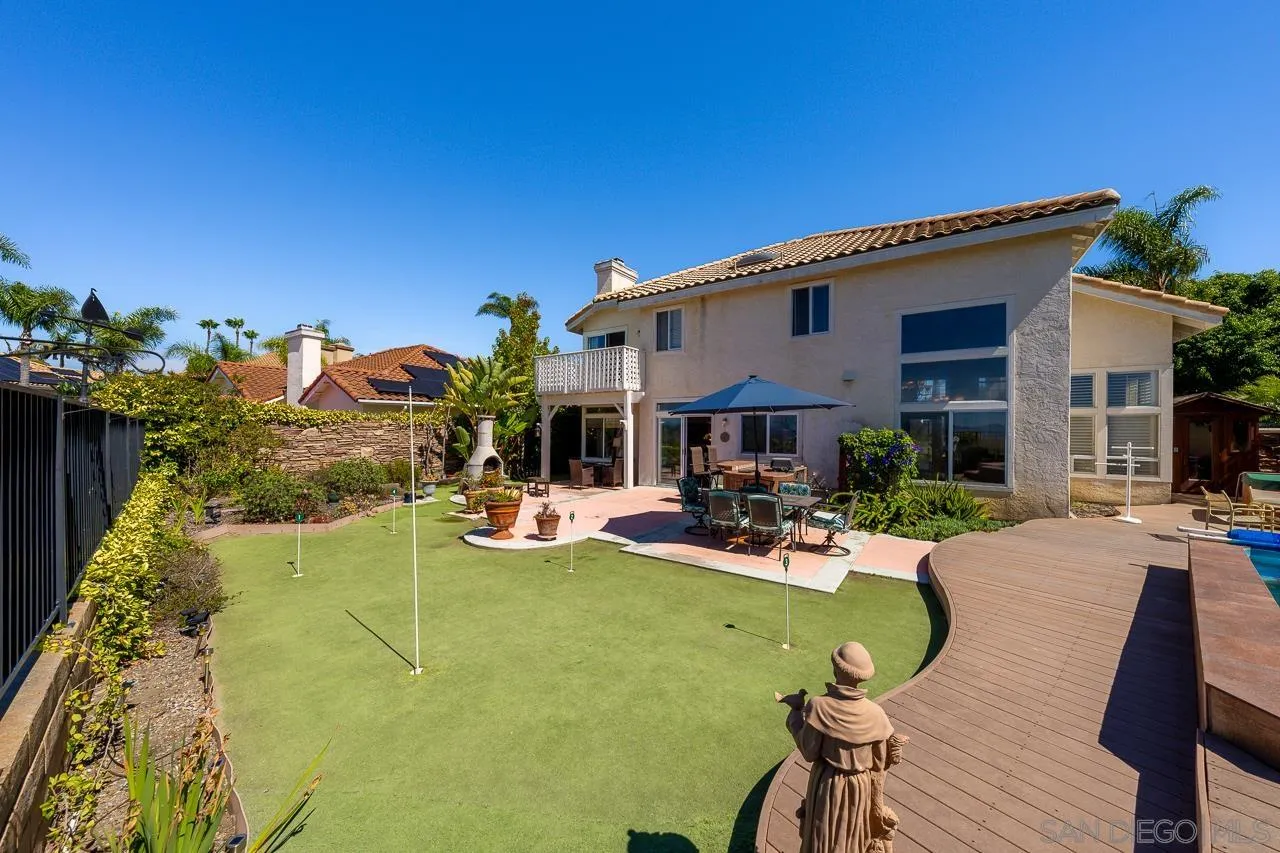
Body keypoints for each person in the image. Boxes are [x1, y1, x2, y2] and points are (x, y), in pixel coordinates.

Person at [776, 642, 908, 853]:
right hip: (860, 787)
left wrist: (795, 715)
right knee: (852, 838)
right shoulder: (876, 714)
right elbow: (880, 762)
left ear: (836, 669)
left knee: (823, 837)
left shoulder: (819, 706)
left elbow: (809, 752)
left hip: (828, 784)